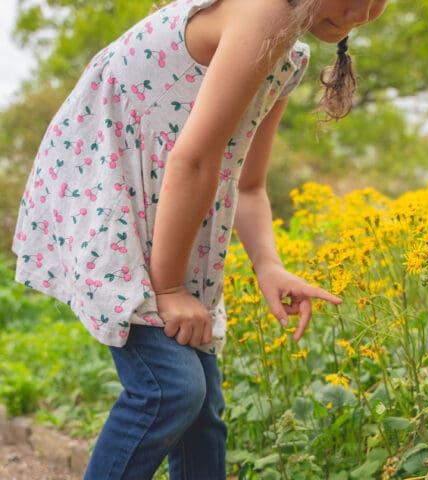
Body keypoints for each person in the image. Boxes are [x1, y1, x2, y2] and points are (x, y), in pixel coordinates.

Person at [12, 0, 388, 478]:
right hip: (115, 202)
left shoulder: (289, 54)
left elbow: (248, 182)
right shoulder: (263, 12)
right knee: (170, 389)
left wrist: (268, 265)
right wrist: (168, 290)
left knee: (203, 408)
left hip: (170, 220)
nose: (364, 9)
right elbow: (190, 160)